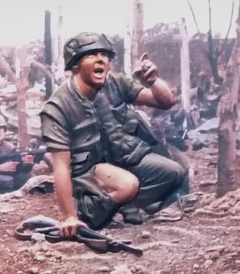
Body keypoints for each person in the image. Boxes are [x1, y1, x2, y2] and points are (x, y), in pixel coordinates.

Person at [37, 32, 185, 236]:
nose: (101, 59)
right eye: (91, 55)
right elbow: (61, 165)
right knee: (128, 184)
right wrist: (68, 216)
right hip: (87, 173)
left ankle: (125, 205)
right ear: (75, 65)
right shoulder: (57, 107)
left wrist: (153, 80)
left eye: (104, 55)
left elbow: (165, 102)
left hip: (122, 159)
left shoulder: (115, 83)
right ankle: (89, 210)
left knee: (173, 173)